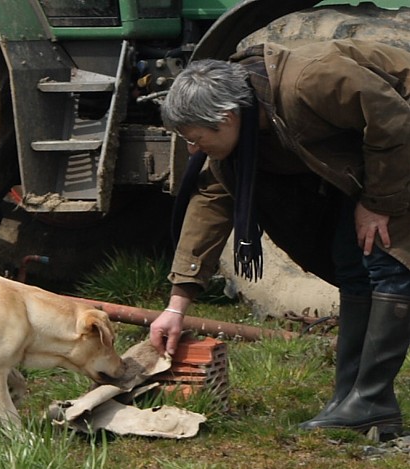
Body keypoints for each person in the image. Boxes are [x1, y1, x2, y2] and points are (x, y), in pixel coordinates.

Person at [149, 38, 410, 436]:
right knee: (352, 260)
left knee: (388, 258)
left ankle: (371, 400)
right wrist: (178, 303)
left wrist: (379, 202)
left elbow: (394, 120)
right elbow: (213, 203)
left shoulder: (309, 82)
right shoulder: (240, 139)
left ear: (226, 116)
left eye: (195, 137)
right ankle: (351, 399)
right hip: (380, 154)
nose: (192, 148)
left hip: (401, 142)